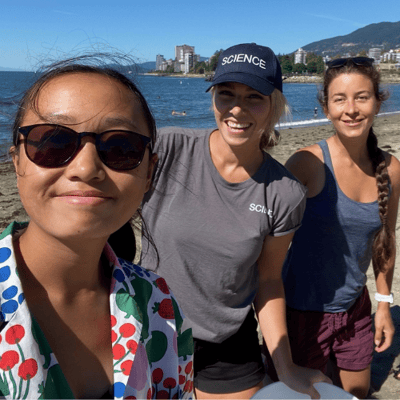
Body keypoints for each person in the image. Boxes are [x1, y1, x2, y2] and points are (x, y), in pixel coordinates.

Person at [141, 43, 329, 399]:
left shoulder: (284, 193)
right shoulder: (167, 149)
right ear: (213, 98)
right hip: (151, 329)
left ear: (274, 105)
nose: (237, 109)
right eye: (226, 94)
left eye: (253, 97)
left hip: (227, 343)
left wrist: (284, 365)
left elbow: (269, 280)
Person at [0, 58, 193, 399]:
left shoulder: (156, 301)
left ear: (149, 172)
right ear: (16, 160)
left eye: (120, 148)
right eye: (53, 142)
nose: (86, 168)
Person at [282, 57, 400, 399]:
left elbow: (385, 240)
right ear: (325, 106)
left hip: (356, 309)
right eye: (339, 99)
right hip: (303, 313)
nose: (351, 109)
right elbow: (267, 245)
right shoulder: (306, 163)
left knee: (357, 393)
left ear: (378, 101)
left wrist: (383, 304)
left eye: (362, 97)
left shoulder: (391, 170)